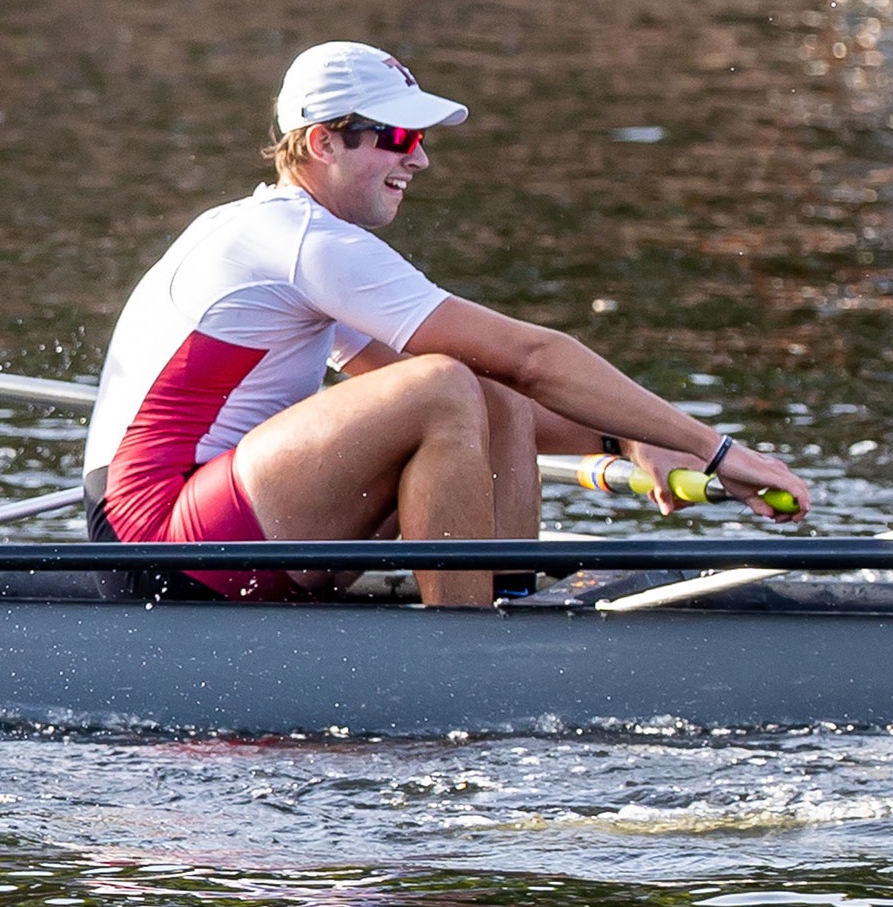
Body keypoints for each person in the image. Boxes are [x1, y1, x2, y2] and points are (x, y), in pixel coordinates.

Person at [82, 40, 810, 607]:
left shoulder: (286, 240)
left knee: (479, 393)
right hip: (155, 538)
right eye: (396, 137)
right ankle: (466, 646)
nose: (420, 157)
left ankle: (508, 598)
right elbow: (531, 353)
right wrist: (717, 451)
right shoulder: (302, 241)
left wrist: (631, 436)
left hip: (209, 524)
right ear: (321, 143)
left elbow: (491, 388)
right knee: (444, 384)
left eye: (420, 139)